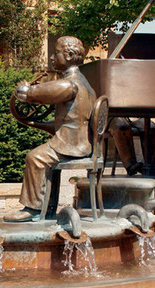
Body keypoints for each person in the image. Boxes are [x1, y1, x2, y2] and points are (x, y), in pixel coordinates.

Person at [6, 36, 95, 222]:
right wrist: (33, 123)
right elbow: (69, 121)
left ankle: (33, 209)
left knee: (35, 158)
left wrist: (26, 91)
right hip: (80, 142)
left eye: (56, 53)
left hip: (71, 145)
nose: (52, 57)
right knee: (40, 156)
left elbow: (39, 92)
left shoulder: (70, 84)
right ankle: (47, 207)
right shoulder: (85, 82)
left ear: (68, 56)